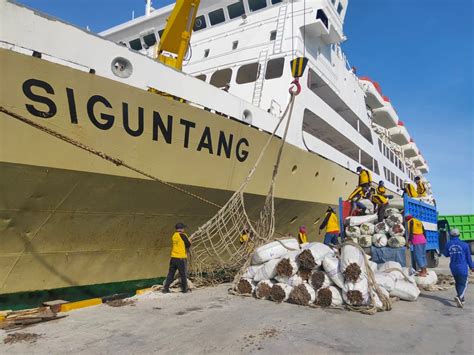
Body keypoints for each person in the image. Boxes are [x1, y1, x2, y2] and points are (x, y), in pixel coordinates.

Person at [443, 229, 474, 308]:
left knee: (458, 282)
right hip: (462, 267)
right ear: (459, 235)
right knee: (464, 283)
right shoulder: (464, 245)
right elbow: (468, 258)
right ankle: (459, 297)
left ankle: (462, 299)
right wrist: (472, 267)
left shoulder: (448, 244)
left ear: (450, 235)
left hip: (453, 267)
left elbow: (446, 254)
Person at [162, 222, 191, 293]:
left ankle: (165, 289)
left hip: (173, 258)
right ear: (181, 229)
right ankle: (185, 289)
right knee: (183, 274)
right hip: (181, 258)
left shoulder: (174, 235)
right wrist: (190, 241)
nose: (184, 229)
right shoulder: (183, 235)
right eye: (183, 228)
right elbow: (188, 245)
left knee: (171, 274)